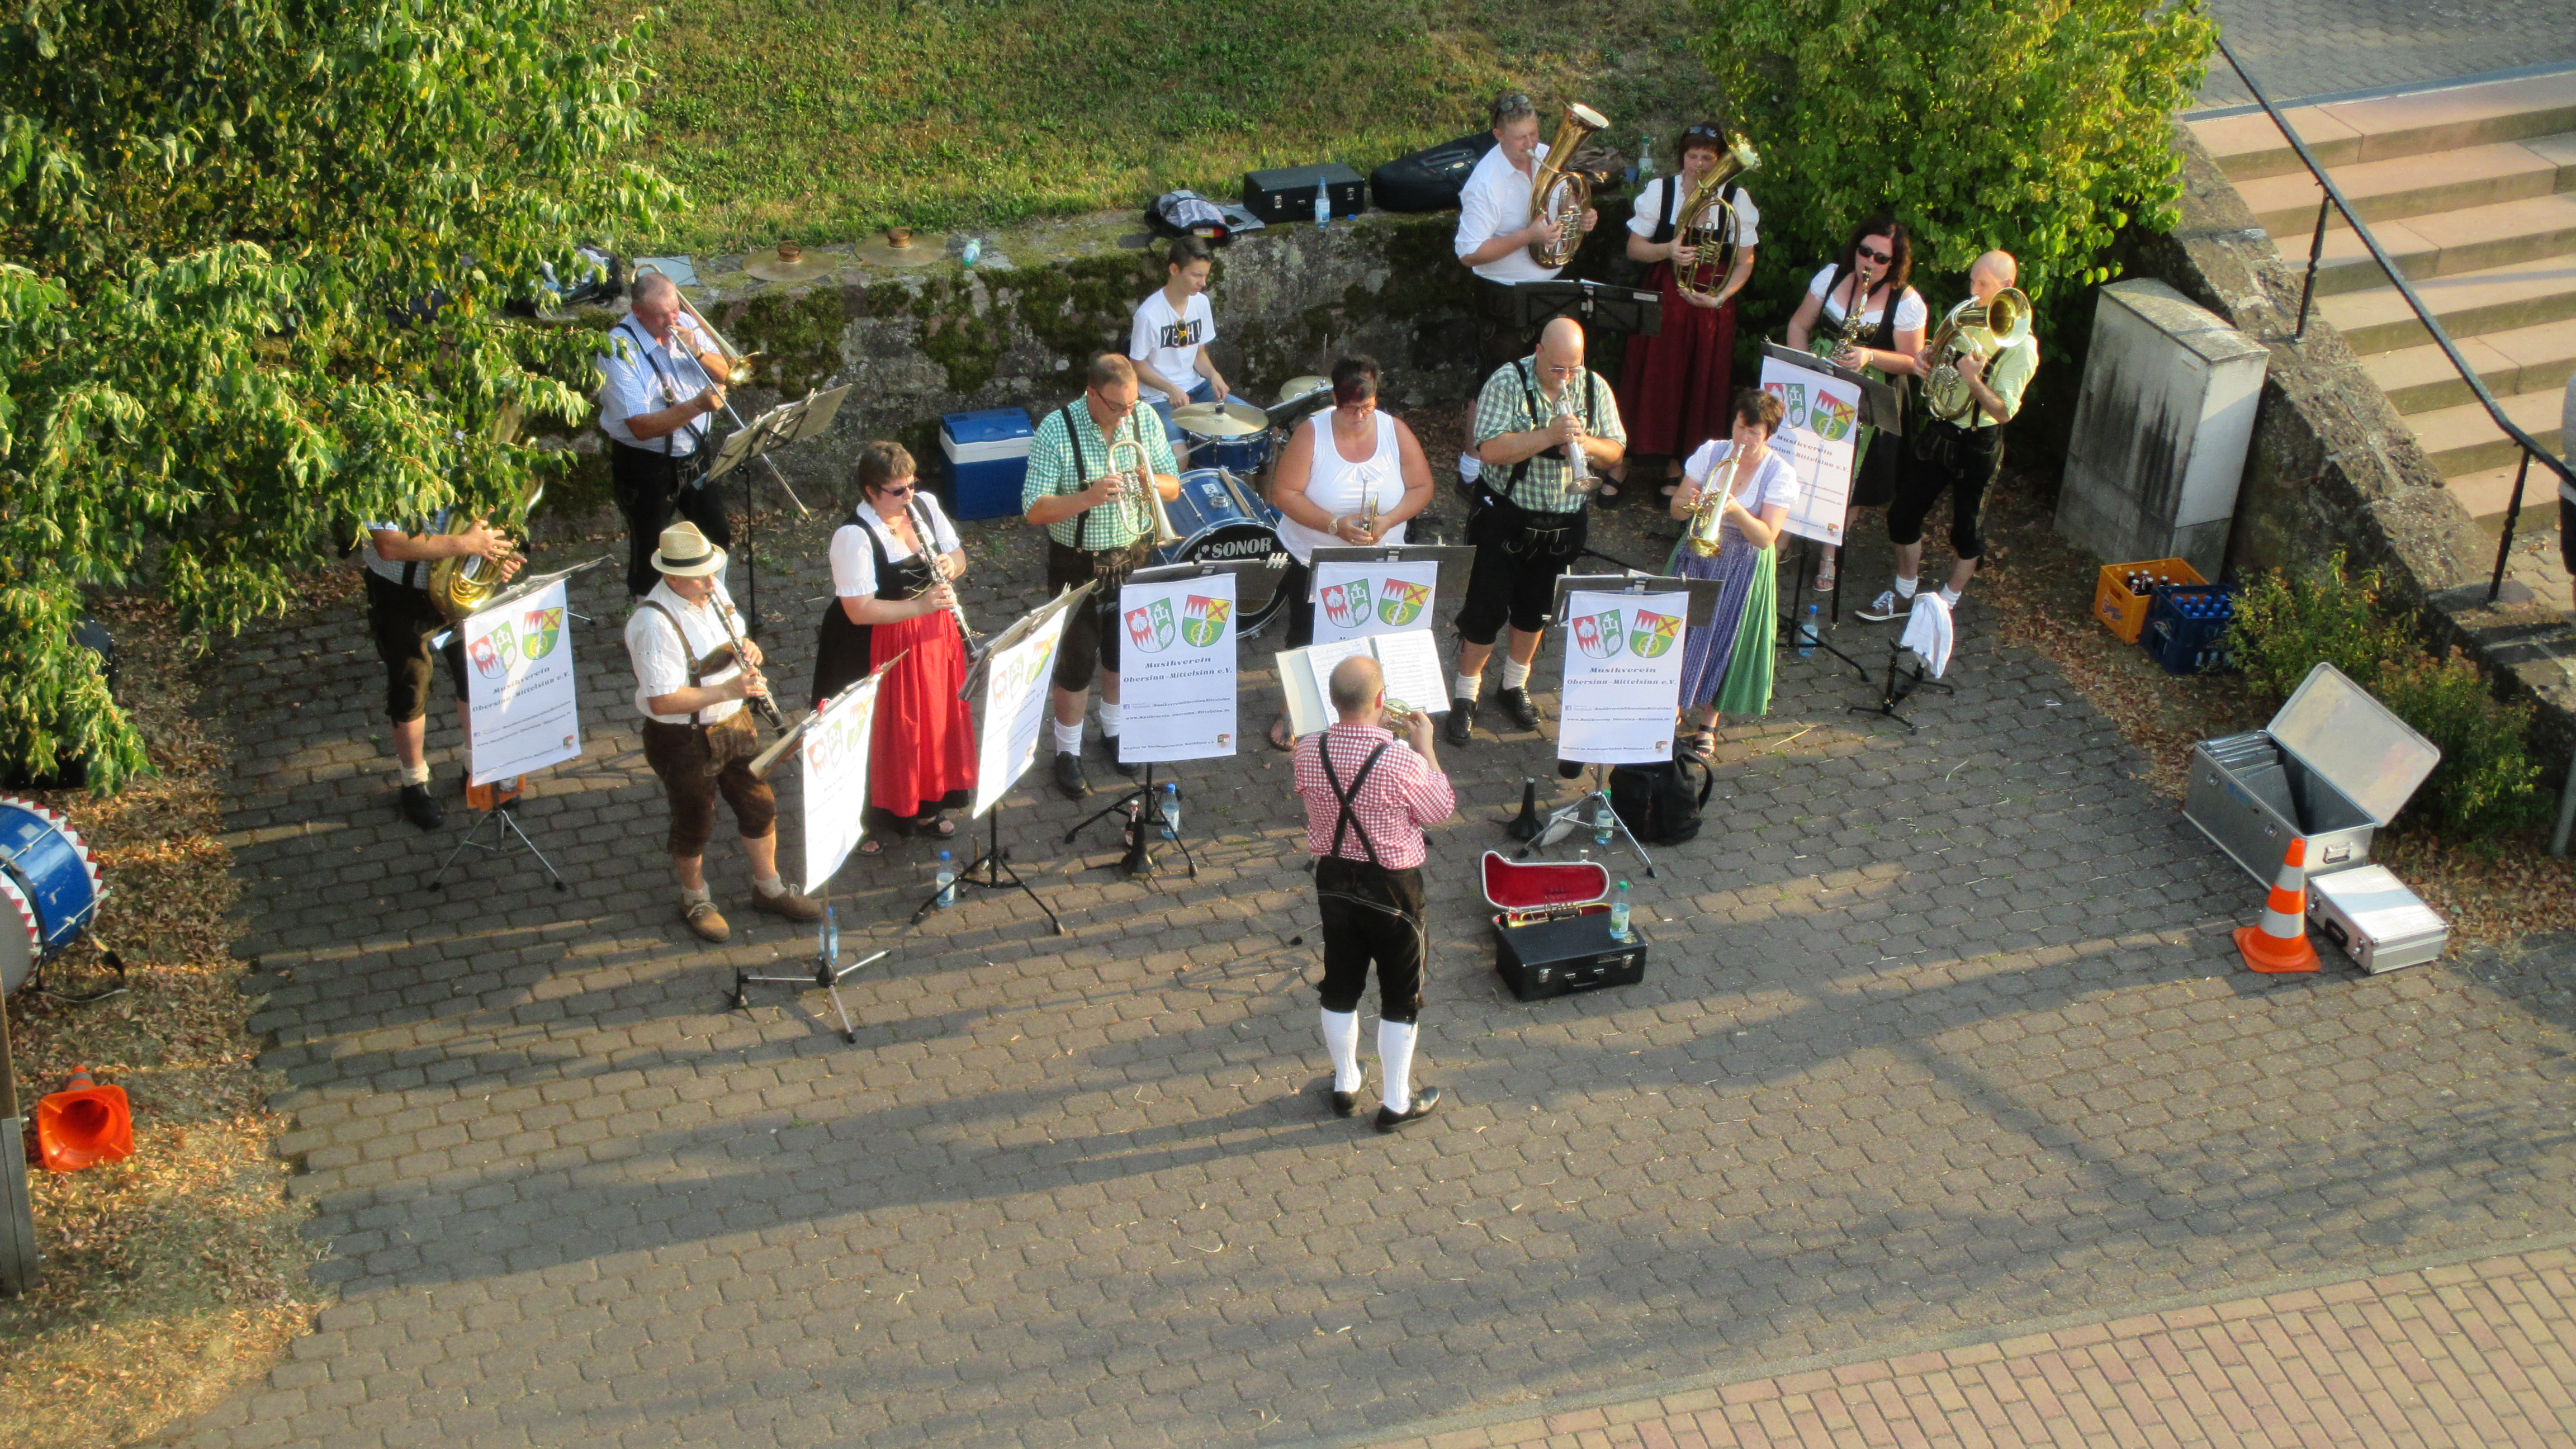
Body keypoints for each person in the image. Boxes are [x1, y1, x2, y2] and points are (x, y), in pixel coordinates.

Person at [623, 522, 822, 943]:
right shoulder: (652, 624)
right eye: (701, 575)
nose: (713, 581)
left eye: (713, 570)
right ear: (672, 576)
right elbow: (662, 701)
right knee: (696, 818)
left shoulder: (710, 590)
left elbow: (735, 634)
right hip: (683, 737)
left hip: (734, 722)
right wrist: (730, 687)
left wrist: (746, 648)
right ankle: (695, 897)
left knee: (759, 805)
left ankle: (768, 888)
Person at [1293, 656, 1456, 1133]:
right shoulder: (1402, 761)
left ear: (1332, 701)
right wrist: (1427, 747)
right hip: (1393, 889)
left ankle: (1346, 1084)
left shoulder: (1307, 750)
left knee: (1341, 980)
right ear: (1382, 701)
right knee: (1401, 994)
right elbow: (1440, 809)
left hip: (1334, 880)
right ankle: (1396, 1101)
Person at [1447, 316, 1626, 745]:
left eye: (1574, 368)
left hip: (1562, 521)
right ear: (1539, 352)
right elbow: (1488, 449)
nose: (1567, 378)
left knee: (1536, 609)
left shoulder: (1593, 386)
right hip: (1505, 516)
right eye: (1558, 368)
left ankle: (1514, 685)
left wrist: (1586, 444)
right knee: (1485, 609)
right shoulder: (1507, 382)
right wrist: (1547, 436)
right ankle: (1465, 695)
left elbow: (1616, 448)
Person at [1021, 352, 1183, 799]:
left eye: (1131, 404)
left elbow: (1173, 484)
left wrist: (1147, 480)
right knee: (1076, 662)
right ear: (1092, 394)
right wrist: (1089, 497)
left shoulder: (1143, 418)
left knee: (1124, 652)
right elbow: (1034, 509)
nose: (1126, 414)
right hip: (1077, 561)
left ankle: (1114, 732)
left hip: (1134, 552)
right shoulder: (1057, 428)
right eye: (1118, 406)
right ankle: (1067, 751)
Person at [1857, 250, 2040, 624]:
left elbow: (2004, 411)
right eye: (1972, 280)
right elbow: (1937, 356)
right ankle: (1905, 591)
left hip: (1979, 441)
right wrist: (1927, 358)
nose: (1973, 290)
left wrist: (1972, 379)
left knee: (1967, 530)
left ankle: (1945, 604)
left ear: (2007, 287)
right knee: (1903, 513)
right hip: (1941, 431)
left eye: (1983, 284)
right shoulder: (1967, 313)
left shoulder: (2021, 347)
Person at [1267, 356, 1438, 749]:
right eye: (1350, 409)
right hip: (1315, 556)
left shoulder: (1395, 431)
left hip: (1380, 557)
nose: (1359, 417)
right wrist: (1334, 525)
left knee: (1378, 634)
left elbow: (1422, 487)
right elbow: (1284, 494)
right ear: (1334, 399)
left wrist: (1389, 519)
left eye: (1367, 408)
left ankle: (1372, 709)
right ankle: (1294, 706)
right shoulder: (1312, 433)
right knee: (1305, 635)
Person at [810, 442, 976, 847]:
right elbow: (859, 610)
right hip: (873, 642)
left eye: (911, 486)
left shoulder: (924, 507)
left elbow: (958, 554)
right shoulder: (854, 535)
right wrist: (920, 604)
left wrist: (949, 565)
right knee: (884, 729)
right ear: (871, 490)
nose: (908, 497)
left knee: (931, 720)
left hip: (930, 637)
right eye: (897, 491)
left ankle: (927, 806)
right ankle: (867, 821)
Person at [1616, 122, 1759, 506]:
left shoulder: (1736, 198)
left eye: (1708, 158)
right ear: (1682, 157)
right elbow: (1634, 248)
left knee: (1699, 382)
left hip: (1710, 301)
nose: (1698, 164)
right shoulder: (1661, 191)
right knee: (1650, 377)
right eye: (1692, 156)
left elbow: (1745, 261)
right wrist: (1668, 251)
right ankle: (1625, 459)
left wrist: (1723, 296)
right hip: (1666, 293)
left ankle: (1680, 466)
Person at [1783, 214, 1927, 593]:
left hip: (1868, 396)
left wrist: (1869, 356)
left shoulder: (1907, 301)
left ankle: (1829, 553)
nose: (1871, 263)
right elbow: (1799, 325)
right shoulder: (1832, 276)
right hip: (1820, 383)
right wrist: (1805, 371)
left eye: (1882, 258)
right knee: (1799, 461)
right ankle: (1783, 535)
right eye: (1866, 252)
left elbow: (1914, 362)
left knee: (1850, 480)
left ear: (1894, 263)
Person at [358, 512, 522, 829]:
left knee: (478, 679)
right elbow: (389, 545)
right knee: (410, 690)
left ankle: (477, 768)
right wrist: (466, 544)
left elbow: (495, 518)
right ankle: (414, 783)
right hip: (403, 593)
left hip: (469, 585)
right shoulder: (386, 466)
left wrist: (496, 554)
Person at [1666, 391, 1796, 760]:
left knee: (1727, 639)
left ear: (1768, 434)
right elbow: (1677, 510)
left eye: (1752, 432)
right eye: (1740, 427)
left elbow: (1767, 537)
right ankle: (1672, 709)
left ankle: (1709, 721)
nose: (1742, 438)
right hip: (1699, 556)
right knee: (1683, 632)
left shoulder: (1780, 474)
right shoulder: (1712, 453)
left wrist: (1735, 509)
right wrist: (1690, 504)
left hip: (1744, 567)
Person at [599, 271, 736, 602]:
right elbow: (640, 428)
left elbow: (731, 370)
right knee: (651, 549)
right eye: (662, 315)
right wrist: (697, 406)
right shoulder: (619, 350)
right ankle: (648, 618)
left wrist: (700, 352)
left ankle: (710, 604)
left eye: (674, 310)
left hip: (696, 455)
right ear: (638, 311)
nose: (671, 320)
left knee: (716, 534)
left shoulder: (685, 323)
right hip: (646, 464)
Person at [1455, 92, 1599, 372]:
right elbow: (1468, 254)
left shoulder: (1547, 156)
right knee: (1495, 384)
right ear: (1499, 135)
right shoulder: (1485, 184)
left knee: (1553, 377)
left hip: (1554, 286)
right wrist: (1527, 237)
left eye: (1534, 133)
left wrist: (1582, 217)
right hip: (1506, 299)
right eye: (1521, 138)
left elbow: (1566, 202)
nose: (1530, 144)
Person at [1130, 235, 1229, 457]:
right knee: (1179, 457)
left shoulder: (1201, 303)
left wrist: (1214, 375)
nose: (1203, 283)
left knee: (1260, 430)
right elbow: (1136, 366)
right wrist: (1170, 388)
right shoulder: (1148, 315)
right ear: (1174, 270)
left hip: (1197, 388)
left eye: (1205, 276)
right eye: (1197, 275)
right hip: (1159, 398)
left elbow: (1199, 354)